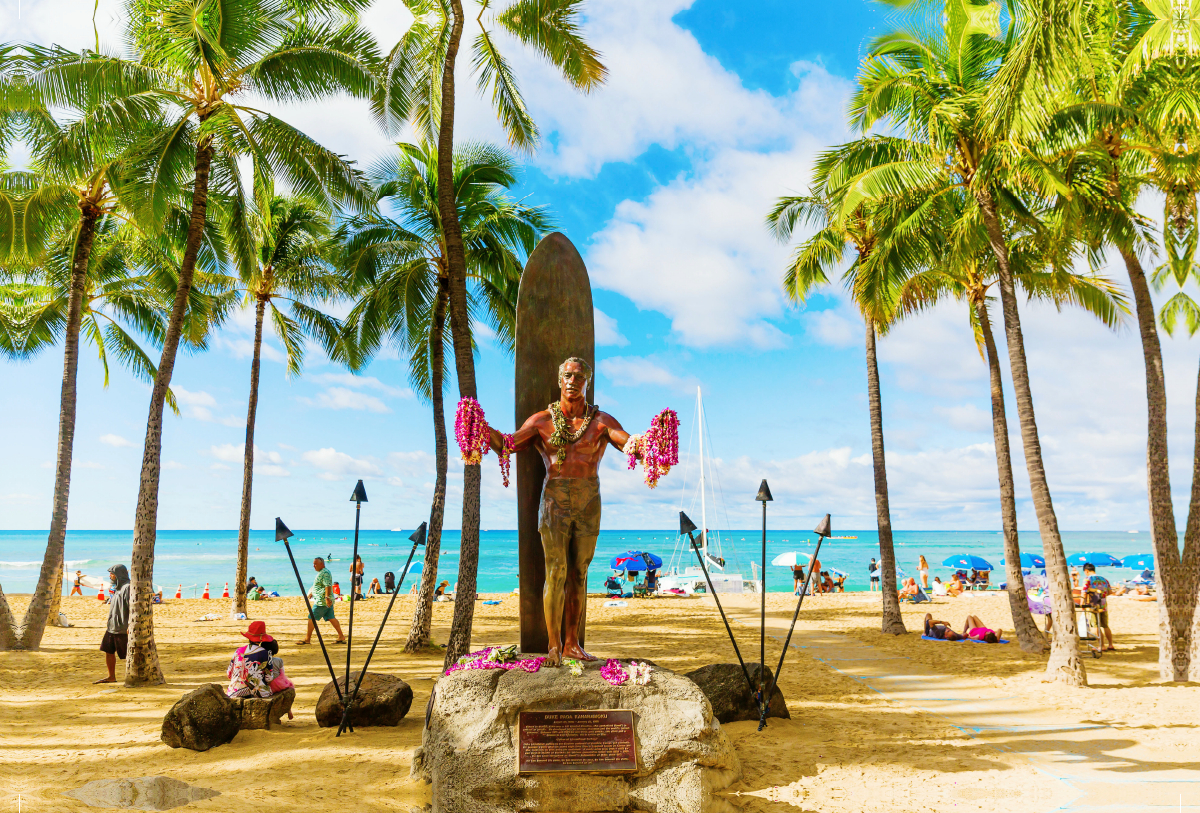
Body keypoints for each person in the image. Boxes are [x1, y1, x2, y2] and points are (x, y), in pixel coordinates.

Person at [297, 557, 346, 645]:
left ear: (322, 564)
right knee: (331, 617)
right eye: (313, 564)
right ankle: (341, 636)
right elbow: (321, 585)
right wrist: (312, 592)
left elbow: (327, 585)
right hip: (325, 600)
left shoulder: (325, 573)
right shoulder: (322, 572)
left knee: (311, 618)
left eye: (315, 564)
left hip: (322, 601)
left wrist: (327, 598)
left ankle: (307, 639)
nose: (313, 566)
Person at [95, 565, 130, 683]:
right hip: (111, 627)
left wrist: (130, 625)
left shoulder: (128, 588)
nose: (110, 576)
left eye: (112, 573)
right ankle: (111, 677)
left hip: (122, 628)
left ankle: (132, 677)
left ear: (119, 574)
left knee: (128, 655)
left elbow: (131, 607)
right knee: (108, 651)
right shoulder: (117, 588)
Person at [227, 620, 279, 699]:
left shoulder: (238, 651)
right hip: (258, 692)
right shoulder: (266, 653)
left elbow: (229, 674)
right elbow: (269, 678)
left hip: (234, 691)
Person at [1082, 563, 1114, 651]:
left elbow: (1084, 592)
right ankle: (1110, 644)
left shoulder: (1087, 579)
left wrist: (1082, 603)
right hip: (1103, 604)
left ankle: (1101, 645)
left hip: (1093, 604)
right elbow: (1110, 592)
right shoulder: (1104, 579)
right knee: (1105, 625)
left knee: (1096, 625)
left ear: (1086, 571)